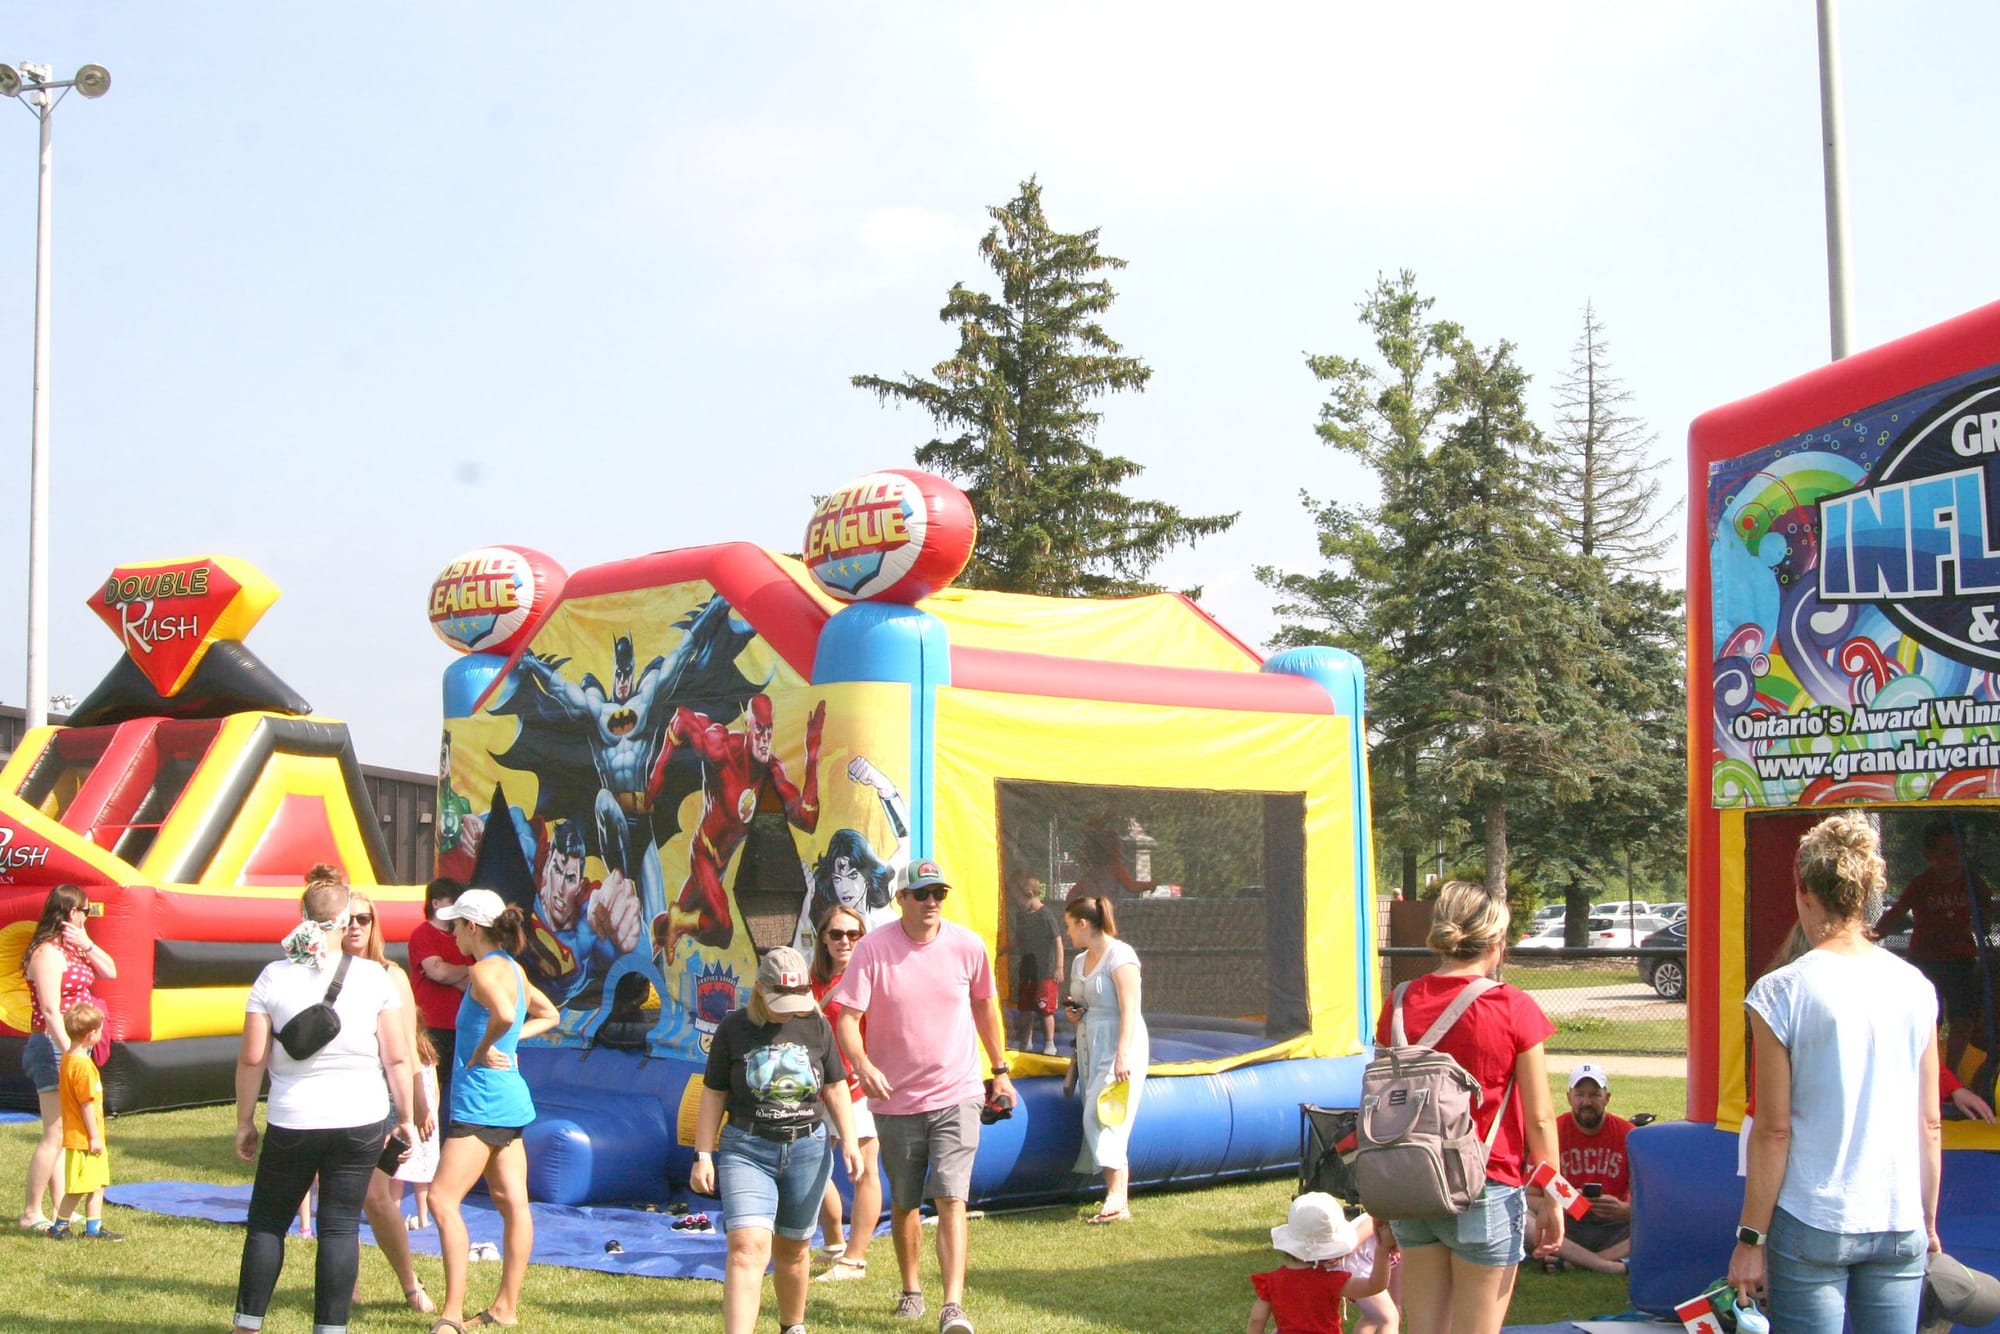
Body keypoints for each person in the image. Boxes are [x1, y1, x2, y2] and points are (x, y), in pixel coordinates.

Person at [1731, 811, 1941, 1332]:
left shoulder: (1779, 991)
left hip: (1815, 1216)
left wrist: (1750, 1238)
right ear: (1867, 891)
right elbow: (1929, 1122)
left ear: (1803, 890)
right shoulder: (1915, 986)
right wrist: (1927, 1218)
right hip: (1899, 1217)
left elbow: (1773, 1130)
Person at [828, 858, 1013, 1334]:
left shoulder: (967, 946)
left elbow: (984, 1008)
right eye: (923, 893)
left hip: (958, 1093)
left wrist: (1002, 1071)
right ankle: (912, 1289)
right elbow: (846, 1017)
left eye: (939, 894)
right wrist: (863, 1066)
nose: (932, 902)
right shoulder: (872, 949)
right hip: (896, 1101)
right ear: (901, 899)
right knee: (906, 1202)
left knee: (952, 1197)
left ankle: (953, 1306)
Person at [232, 866, 419, 1334]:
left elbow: (253, 1057)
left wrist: (244, 1120)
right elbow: (396, 1058)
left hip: (294, 1116)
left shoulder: (273, 976)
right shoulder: (376, 976)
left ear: (302, 917)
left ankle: (247, 1324)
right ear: (343, 922)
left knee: (268, 1224)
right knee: (340, 1227)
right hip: (361, 1117)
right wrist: (407, 1119)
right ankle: (331, 1329)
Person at [1372, 878, 1562, 1334]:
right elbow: (1539, 1116)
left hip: (1413, 1182)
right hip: (1485, 1184)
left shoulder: (1398, 1003)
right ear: (1497, 942)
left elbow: (1381, 1103)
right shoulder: (1511, 1005)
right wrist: (1553, 1194)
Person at [691, 944, 862, 1334]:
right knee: (747, 1247)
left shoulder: (817, 1024)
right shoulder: (733, 1028)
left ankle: (792, 1326)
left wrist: (849, 1140)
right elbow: (714, 1092)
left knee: (794, 1248)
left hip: (808, 1148)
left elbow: (835, 1087)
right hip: (747, 1148)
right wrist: (702, 1154)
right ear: (758, 990)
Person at [428, 887, 560, 1334]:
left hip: (482, 1104)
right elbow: (550, 1015)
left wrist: (487, 1047)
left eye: (454, 926)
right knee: (512, 1203)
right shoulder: (513, 968)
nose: (451, 935)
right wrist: (510, 1041)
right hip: (510, 1102)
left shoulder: (484, 971)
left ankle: (450, 1315)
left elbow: (505, 1014)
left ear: (471, 927)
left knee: (441, 1199)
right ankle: (505, 1307)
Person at [341, 888, 439, 1315]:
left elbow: (407, 1046)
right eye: (348, 919)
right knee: (339, 1197)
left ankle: (410, 1284)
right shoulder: (323, 971)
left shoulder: (389, 974)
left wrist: (417, 1100)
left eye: (364, 919)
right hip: (334, 1094)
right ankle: (347, 1287)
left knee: (377, 1196)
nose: (355, 927)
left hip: (381, 1095)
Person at [18, 882, 115, 1233]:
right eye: (86, 911)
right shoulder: (47, 952)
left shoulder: (74, 948)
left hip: (73, 1047)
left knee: (69, 1131)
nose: (89, 916)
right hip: (50, 1045)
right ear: (70, 913)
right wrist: (70, 1052)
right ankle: (31, 1211)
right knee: (55, 1131)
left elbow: (110, 970)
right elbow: (49, 1007)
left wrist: (86, 943)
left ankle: (61, 1208)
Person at [1876, 819, 1991, 1074]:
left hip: (1961, 958)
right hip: (1927, 959)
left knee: (1963, 1020)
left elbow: (1985, 911)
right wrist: (1873, 933)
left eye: (1959, 853)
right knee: (1929, 1020)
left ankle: (1952, 1072)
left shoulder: (1972, 882)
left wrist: (1984, 922)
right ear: (1930, 855)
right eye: (1946, 854)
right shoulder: (1922, 884)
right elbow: (1896, 913)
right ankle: (1930, 1073)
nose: (1953, 861)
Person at [1061, 894, 1148, 1223]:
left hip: (1119, 1045)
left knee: (1103, 1115)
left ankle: (1117, 1196)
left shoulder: (1121, 956)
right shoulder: (1079, 961)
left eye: (1070, 927)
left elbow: (1130, 1009)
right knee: (1097, 1112)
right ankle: (1116, 1197)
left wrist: (1122, 1054)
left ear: (1084, 924)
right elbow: (1086, 1004)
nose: (1068, 934)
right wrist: (1076, 1014)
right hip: (1090, 1042)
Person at [809, 904, 881, 1284]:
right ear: (823, 937)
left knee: (864, 1170)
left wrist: (869, 1071)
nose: (845, 942)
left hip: (858, 1089)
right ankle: (835, 1242)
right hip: (817, 1089)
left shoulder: (871, 977)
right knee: (814, 1170)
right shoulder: (811, 980)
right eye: (836, 934)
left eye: (853, 935)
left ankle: (854, 1259)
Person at [1246, 1191, 1397, 1334]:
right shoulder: (1333, 1280)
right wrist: (1382, 1249)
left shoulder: (1272, 1281)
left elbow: (1256, 1319)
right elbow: (1375, 1285)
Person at [1546, 1063, 1632, 1276]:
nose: (1586, 1102)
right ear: (1568, 1097)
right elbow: (1528, 1196)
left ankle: (1576, 1262)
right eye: (1580, 1094)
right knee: (1522, 1216)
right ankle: (1606, 1265)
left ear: (1607, 1097)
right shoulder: (1552, 1133)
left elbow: (1652, 1201)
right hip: (1568, 1226)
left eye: (1595, 1095)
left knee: (1656, 1226)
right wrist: (1564, 1202)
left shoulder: (1628, 1134)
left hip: (1613, 1225)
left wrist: (1624, 1210)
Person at [48, 1001, 118, 1241]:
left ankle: (93, 1229)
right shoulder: (82, 1067)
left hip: (82, 1136)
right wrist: (95, 1137)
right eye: (100, 1030)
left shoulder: (68, 1058)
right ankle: (59, 1227)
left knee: (97, 1185)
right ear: (91, 1035)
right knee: (79, 1188)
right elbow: (87, 1105)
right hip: (84, 1138)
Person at [408, 876, 474, 1118]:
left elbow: (464, 980)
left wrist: (454, 973)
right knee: (430, 1085)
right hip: (431, 1024)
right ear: (436, 903)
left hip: (460, 1024)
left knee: (456, 1087)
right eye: (452, 901)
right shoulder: (422, 934)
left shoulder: (461, 937)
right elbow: (437, 972)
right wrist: (467, 970)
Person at [1004, 875, 1064, 1055]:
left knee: (1046, 1009)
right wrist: (1003, 949)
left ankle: (1049, 1043)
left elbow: (1058, 941)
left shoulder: (1045, 915)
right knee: (1025, 1008)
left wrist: (1059, 967)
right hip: (1027, 970)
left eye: (1019, 898)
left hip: (1045, 971)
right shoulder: (1022, 915)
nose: (1017, 903)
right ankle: (1026, 1042)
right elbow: (1017, 939)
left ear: (1029, 894)